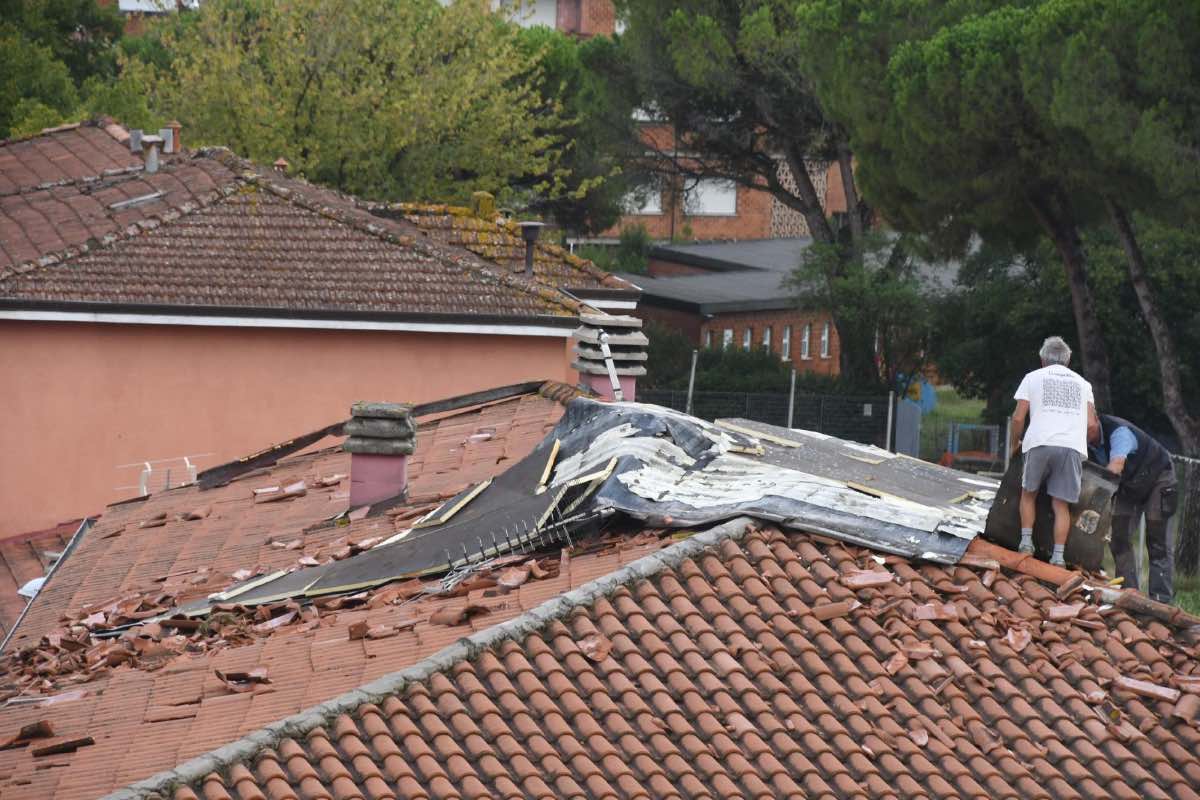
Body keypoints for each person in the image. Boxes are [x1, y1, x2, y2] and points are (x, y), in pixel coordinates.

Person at [1010, 336, 1095, 566]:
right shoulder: (1083, 384)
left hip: (1039, 441)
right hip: (1071, 447)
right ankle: (1058, 557)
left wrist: (1014, 443)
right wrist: (1075, 440)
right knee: (1061, 505)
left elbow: (1018, 417)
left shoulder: (1032, 378)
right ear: (1068, 361)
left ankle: (1026, 543)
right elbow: (1091, 425)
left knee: (1029, 494)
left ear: (1041, 359)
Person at [1087, 411, 1178, 603]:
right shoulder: (1082, 442)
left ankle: (1161, 601)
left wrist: (1097, 502)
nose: (1085, 433)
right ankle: (1130, 595)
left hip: (1158, 478)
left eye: (1088, 429)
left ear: (1096, 419)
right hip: (1128, 485)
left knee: (1158, 543)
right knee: (1118, 538)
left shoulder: (1119, 432)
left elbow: (1116, 465)